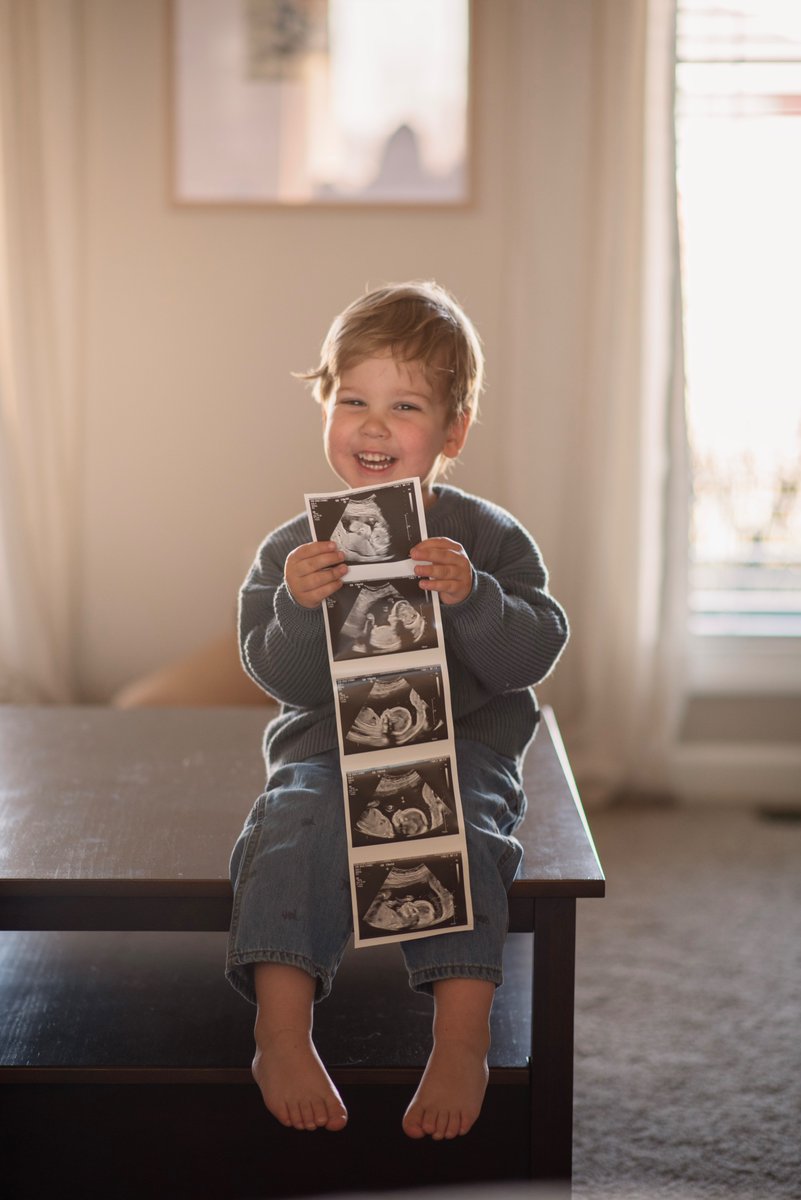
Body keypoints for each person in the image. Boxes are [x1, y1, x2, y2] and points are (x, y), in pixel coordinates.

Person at [226, 280, 569, 1141]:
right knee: (292, 824)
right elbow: (276, 673)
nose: (373, 425)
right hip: (326, 746)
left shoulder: (486, 539)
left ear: (451, 430)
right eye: (353, 400)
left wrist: (472, 597)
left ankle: (459, 1037)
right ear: (325, 410)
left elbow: (532, 653)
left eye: (404, 405)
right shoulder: (293, 547)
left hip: (461, 746)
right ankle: (280, 1031)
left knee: (464, 828)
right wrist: (301, 610)